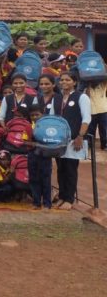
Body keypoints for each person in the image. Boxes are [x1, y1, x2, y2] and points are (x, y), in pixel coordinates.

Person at [48, 71, 89, 211]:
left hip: (73, 140)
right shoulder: (57, 98)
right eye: (62, 80)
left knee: (71, 169)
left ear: (74, 82)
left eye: (67, 80)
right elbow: (52, 118)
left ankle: (69, 199)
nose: (64, 82)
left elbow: (86, 119)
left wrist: (80, 136)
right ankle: (62, 196)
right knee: (61, 169)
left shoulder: (81, 97)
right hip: (59, 140)